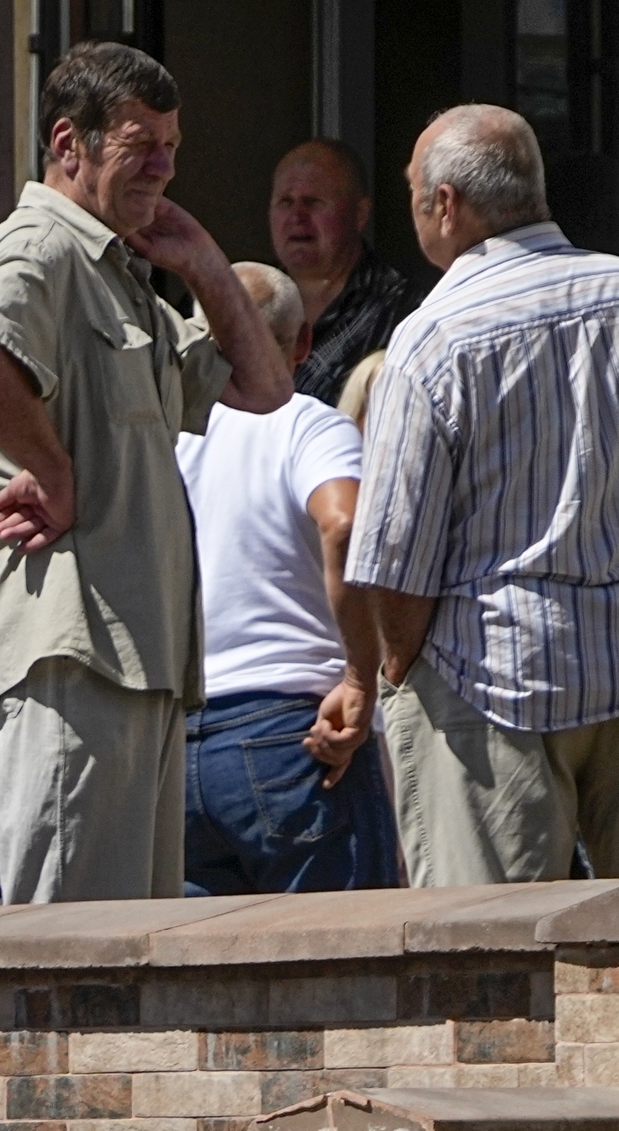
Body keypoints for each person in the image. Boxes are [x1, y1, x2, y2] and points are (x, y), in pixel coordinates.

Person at [349, 105, 619, 886]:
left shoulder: (432, 337)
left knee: (495, 965)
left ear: (445, 204)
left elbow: (397, 567)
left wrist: (401, 673)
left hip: (492, 677)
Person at [0, 42, 292, 904]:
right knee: (64, 959)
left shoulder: (119, 275)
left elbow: (264, 386)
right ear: (70, 145)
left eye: (174, 146)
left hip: (139, 662)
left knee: (132, 958)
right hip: (76, 656)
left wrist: (205, 263)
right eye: (144, 145)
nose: (166, 168)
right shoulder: (41, 247)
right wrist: (52, 473)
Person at [179, 258, 395, 894]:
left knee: (205, 978)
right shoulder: (307, 422)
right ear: (303, 343)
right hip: (295, 741)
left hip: (179, 748)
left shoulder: (161, 437)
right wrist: (361, 675)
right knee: (346, 968)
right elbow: (346, 523)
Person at [267, 135, 424, 411]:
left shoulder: (406, 313)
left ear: (360, 214)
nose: (297, 216)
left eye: (313, 202)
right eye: (285, 202)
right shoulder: (241, 298)